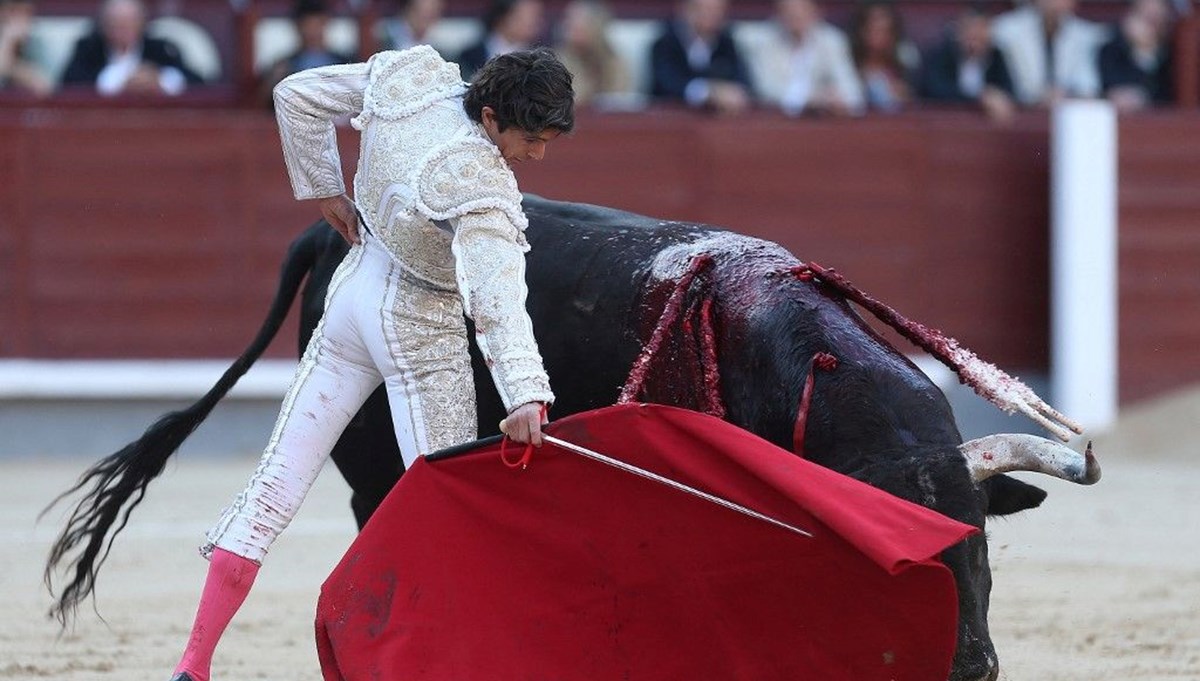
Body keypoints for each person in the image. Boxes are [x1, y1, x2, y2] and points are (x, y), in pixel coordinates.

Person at [167, 45, 574, 681]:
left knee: (274, 486)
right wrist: (524, 391)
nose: (537, 155)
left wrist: (325, 188)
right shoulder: (480, 184)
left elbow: (295, 96)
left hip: (352, 295)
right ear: (491, 116)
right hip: (420, 329)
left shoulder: (410, 79)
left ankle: (193, 665)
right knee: (447, 518)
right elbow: (496, 299)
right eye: (529, 138)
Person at [60, 0, 202, 96]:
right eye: (116, 23)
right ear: (104, 25)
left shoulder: (160, 49)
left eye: (129, 22)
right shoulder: (89, 48)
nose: (123, 29)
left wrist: (160, 79)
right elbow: (69, 85)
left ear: (142, 23)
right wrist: (119, 81)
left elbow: (198, 83)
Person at [749, 0, 864, 117]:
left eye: (802, 8)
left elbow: (853, 93)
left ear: (816, 12)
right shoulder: (762, 41)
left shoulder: (832, 41)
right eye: (788, 9)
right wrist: (808, 99)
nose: (795, 13)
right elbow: (764, 90)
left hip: (822, 122)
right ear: (778, 12)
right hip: (776, 122)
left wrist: (837, 99)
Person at [990, 0, 1108, 106]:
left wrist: (1067, 95)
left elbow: (1087, 85)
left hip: (1066, 110)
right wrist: (1040, 96)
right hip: (1022, 111)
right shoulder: (1006, 29)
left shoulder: (1086, 34)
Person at [649, 0, 754, 115]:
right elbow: (666, 85)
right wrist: (708, 92)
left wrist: (733, 93)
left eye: (717, 10)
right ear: (686, 10)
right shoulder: (665, 44)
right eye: (705, 9)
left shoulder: (728, 44)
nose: (712, 15)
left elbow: (744, 83)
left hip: (720, 119)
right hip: (672, 119)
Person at [919, 7, 1017, 123]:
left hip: (986, 124)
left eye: (981, 29)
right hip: (945, 123)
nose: (975, 35)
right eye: (971, 29)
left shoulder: (997, 56)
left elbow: (1010, 91)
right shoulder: (941, 54)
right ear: (959, 32)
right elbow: (935, 90)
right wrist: (979, 98)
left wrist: (998, 97)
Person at [258, 0, 354, 107]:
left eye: (317, 24)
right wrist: (274, 82)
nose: (312, 31)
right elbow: (263, 106)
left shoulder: (346, 64)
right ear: (298, 27)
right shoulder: (283, 66)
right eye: (307, 25)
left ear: (326, 23)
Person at [1099, 0, 1174, 112]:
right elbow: (1110, 90)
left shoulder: (1178, 51)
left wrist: (1145, 51)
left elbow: (1164, 95)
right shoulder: (1110, 50)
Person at [553, 0, 630, 105]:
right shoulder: (557, 61)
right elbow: (573, 98)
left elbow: (621, 98)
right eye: (568, 20)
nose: (567, 26)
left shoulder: (614, 61)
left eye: (577, 21)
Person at [847, 0, 918, 113]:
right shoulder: (846, 61)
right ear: (862, 30)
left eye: (885, 31)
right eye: (874, 30)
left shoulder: (907, 57)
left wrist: (905, 94)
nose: (879, 36)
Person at [457, 0, 544, 81]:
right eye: (528, 16)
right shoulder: (468, 57)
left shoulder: (541, 59)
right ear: (504, 17)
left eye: (536, 16)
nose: (535, 22)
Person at [0, 0, 52, 97]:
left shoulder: (34, 43)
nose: (19, 18)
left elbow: (45, 86)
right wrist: (7, 41)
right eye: (13, 11)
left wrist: (9, 66)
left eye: (25, 12)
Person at [379, 0, 444, 52]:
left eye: (432, 16)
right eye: (422, 16)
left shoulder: (441, 45)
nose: (426, 22)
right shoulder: (385, 37)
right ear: (408, 8)